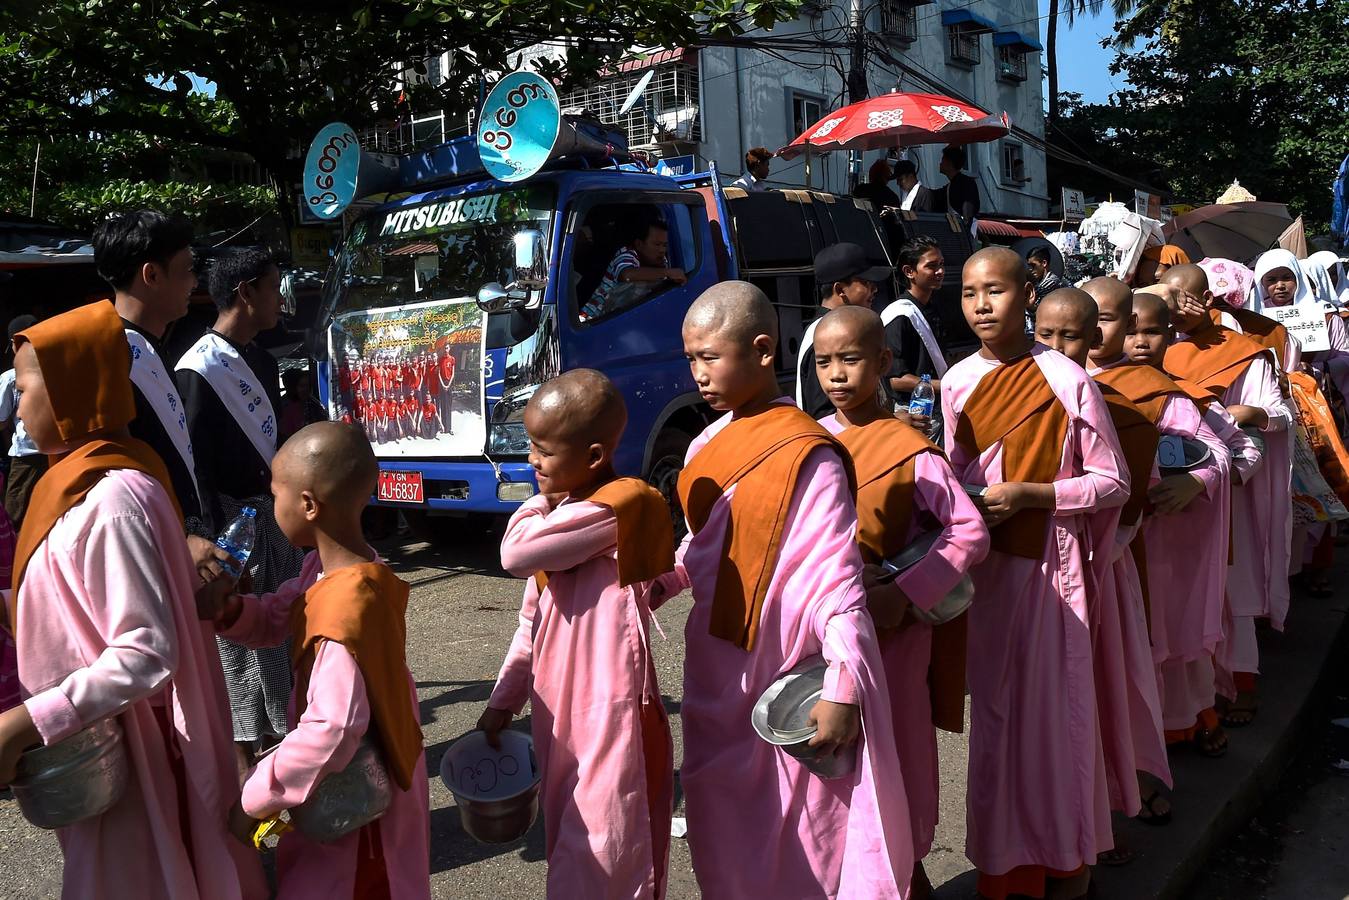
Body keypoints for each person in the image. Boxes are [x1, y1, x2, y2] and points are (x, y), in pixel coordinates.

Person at [654, 281, 914, 896]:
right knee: (722, 832)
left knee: (804, 835)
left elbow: (836, 576)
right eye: (690, 358)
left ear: (763, 349)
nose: (698, 374)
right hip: (716, 668)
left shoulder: (809, 454)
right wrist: (659, 581)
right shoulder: (703, 444)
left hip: (788, 668)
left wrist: (845, 688)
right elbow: (704, 547)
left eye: (710, 357)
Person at [0, 301, 266, 899]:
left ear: (71, 389)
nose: (16, 405)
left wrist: (27, 722)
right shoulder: (83, 482)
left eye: (23, 387)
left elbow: (146, 652)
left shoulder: (110, 500)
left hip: (134, 752)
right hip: (99, 740)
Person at [945, 249, 1128, 900]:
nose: (981, 305)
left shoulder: (1064, 378)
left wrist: (1033, 495)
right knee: (994, 717)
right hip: (990, 570)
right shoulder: (956, 380)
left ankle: (1065, 860)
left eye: (994, 290)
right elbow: (952, 474)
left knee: (1056, 718)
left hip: (1053, 567)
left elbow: (1112, 483)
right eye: (969, 294)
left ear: (1026, 294)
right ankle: (1002, 867)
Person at [201, 422, 430, 899]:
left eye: (276, 494)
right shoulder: (331, 571)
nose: (271, 507)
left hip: (360, 802)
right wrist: (230, 611)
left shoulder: (347, 605)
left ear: (307, 505)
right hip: (342, 783)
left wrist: (257, 795)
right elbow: (276, 617)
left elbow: (335, 726)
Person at [812, 304, 989, 899]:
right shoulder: (811, 441)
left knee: (899, 749)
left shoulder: (908, 447)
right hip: (827, 635)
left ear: (884, 362)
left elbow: (968, 531)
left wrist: (906, 597)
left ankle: (907, 870)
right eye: (823, 362)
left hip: (895, 632)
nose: (836, 375)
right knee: (838, 756)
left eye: (851, 359)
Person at [478, 370, 675, 898]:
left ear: (591, 456)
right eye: (531, 447)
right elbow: (531, 620)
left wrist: (539, 503)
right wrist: (504, 699)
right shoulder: (567, 513)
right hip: (559, 706)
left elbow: (514, 553)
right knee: (571, 826)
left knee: (607, 840)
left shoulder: (614, 507)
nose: (531, 462)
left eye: (543, 451)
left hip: (611, 707)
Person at [178, 247, 306, 759]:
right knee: (237, 639)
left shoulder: (259, 357)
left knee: (284, 623)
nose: (281, 301)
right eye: (274, 288)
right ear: (246, 291)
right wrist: (204, 533)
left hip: (274, 514)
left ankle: (289, 738)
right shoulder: (197, 369)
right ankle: (244, 756)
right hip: (231, 523)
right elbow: (195, 465)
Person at [1126, 289, 1258, 756]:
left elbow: (1240, 450)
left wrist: (1199, 481)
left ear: (1171, 335)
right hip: (1122, 541)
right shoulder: (1086, 389)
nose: (1140, 341)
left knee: (1178, 634)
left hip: (1176, 540)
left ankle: (1193, 720)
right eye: (1130, 329)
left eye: (1152, 331)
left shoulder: (1185, 396)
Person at [1162, 264, 1292, 729]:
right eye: (1166, 295)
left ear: (1208, 299)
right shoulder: (1155, 345)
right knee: (1181, 592)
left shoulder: (1244, 354)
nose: (1176, 305)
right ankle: (1189, 700)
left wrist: (1242, 412)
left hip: (1226, 484)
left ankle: (1243, 682)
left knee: (1231, 591)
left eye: (1185, 296)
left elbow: (1280, 415)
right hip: (1171, 491)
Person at [93, 211, 226, 578]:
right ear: (151, 274)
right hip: (147, 555)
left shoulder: (150, 346)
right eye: (186, 270)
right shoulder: (108, 356)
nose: (194, 281)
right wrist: (181, 535)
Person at [795, 242, 898, 417]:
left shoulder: (839, 330)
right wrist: (891, 424)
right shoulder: (823, 336)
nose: (874, 289)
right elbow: (823, 415)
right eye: (866, 282)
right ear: (840, 289)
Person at [883, 235, 949, 409]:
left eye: (941, 264)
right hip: (911, 412)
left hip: (938, 407)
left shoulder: (933, 308)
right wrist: (945, 386)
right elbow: (894, 379)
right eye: (932, 266)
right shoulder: (899, 315)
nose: (940, 271)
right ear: (909, 271)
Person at [581, 219, 687, 321]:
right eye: (657, 244)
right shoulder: (626, 254)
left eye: (665, 245)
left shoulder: (661, 262)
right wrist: (667, 273)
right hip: (593, 319)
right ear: (639, 244)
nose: (662, 250)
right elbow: (627, 275)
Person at [0, 315, 44, 529]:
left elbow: (0, 420)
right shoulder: (58, 369)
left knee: (14, 516)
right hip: (59, 451)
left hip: (26, 457)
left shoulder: (10, 378)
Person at [939, 145, 980, 238]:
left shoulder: (967, 183)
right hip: (956, 231)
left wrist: (964, 234)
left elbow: (967, 214)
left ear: (949, 164)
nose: (940, 164)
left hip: (964, 233)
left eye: (942, 160)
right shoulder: (952, 184)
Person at [278, 368, 326, 444]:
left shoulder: (312, 402)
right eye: (302, 386)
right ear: (292, 387)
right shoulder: (285, 407)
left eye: (308, 385)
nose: (306, 389)